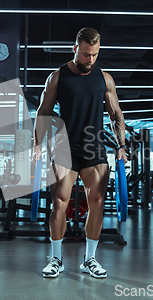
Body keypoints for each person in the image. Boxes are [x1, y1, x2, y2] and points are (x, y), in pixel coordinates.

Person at [33, 27, 127, 279]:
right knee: (59, 203)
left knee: (97, 203)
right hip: (65, 148)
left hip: (94, 148)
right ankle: (56, 258)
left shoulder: (105, 78)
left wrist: (121, 146)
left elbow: (116, 115)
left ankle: (90, 259)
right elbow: (43, 112)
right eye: (86, 54)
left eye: (95, 55)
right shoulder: (57, 77)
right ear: (75, 49)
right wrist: (37, 146)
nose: (90, 60)